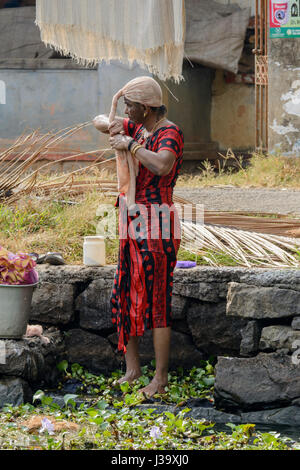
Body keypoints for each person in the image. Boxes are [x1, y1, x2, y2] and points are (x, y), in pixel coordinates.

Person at [94, 76, 184, 397]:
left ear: (146, 108)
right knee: (124, 291)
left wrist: (131, 145)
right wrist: (113, 121)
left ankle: (159, 380)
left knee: (157, 300)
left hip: (158, 223)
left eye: (130, 105)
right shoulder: (138, 126)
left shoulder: (168, 132)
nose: (126, 111)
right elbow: (101, 121)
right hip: (133, 221)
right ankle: (133, 370)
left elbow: (162, 165)